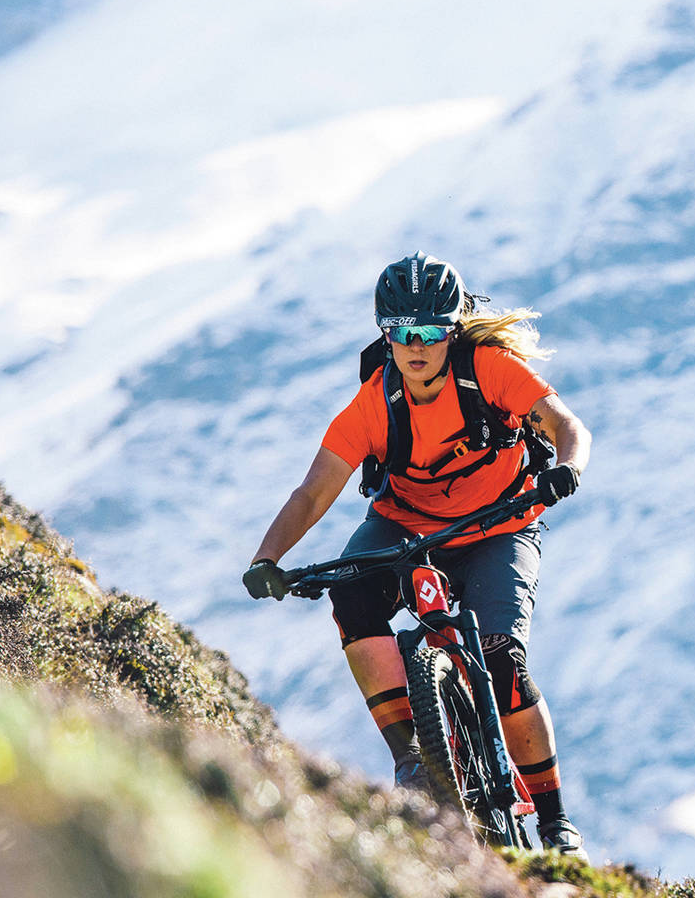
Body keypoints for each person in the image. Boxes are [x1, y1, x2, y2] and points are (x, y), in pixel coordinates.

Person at [242, 252, 591, 856]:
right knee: (350, 597)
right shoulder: (374, 403)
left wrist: (566, 469)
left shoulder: (490, 370)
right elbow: (313, 490)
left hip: (498, 526)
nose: (416, 346)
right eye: (401, 333)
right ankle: (415, 761)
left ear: (452, 331)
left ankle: (557, 823)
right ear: (386, 336)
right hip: (403, 527)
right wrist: (265, 559)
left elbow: (568, 427)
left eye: (430, 331)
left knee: (503, 659)